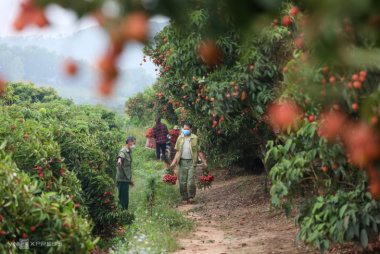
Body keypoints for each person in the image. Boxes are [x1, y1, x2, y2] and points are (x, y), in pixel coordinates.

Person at [170, 122, 208, 204]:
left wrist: (204, 163)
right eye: (184, 129)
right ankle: (184, 197)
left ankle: (191, 196)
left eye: (188, 129)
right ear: (182, 129)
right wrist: (173, 163)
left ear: (191, 129)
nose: (186, 130)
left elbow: (199, 151)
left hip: (191, 162)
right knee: (182, 181)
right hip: (182, 162)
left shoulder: (195, 138)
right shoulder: (180, 138)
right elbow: (177, 151)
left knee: (190, 181)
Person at [116, 136, 136, 210]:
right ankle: (121, 213)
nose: (134, 145)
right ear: (129, 143)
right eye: (133, 143)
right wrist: (119, 160)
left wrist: (130, 180)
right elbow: (120, 156)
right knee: (122, 199)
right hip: (122, 178)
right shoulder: (123, 151)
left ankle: (124, 212)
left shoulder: (129, 151)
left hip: (126, 179)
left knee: (125, 198)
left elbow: (128, 168)